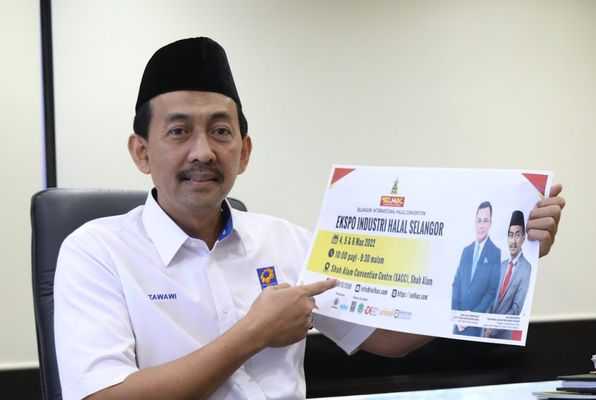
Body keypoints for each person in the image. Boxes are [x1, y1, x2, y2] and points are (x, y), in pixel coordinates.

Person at [53, 37, 565, 400]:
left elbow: (387, 339)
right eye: (179, 131)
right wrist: (254, 333)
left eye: (221, 131)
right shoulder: (96, 251)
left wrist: (515, 259)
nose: (203, 151)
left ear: (244, 152)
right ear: (141, 152)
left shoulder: (286, 243)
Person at [451, 201, 501, 337]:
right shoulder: (466, 251)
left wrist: (471, 317)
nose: (481, 225)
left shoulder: (495, 253)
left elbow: (492, 291)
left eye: (485, 221)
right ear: (475, 222)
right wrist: (456, 315)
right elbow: (456, 284)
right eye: (479, 221)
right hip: (457, 325)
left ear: (490, 223)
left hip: (476, 327)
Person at [483, 210, 531, 340]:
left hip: (504, 338)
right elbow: (491, 298)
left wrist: (493, 328)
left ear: (523, 238)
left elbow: (516, 309)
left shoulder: (526, 268)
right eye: (511, 235)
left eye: (517, 235)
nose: (513, 241)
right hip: (485, 334)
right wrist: (484, 325)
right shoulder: (501, 265)